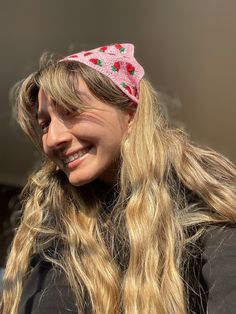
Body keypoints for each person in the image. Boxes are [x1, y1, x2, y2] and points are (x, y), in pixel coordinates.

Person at [1, 43, 236, 314]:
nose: (52, 139)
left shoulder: (204, 191)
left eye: (72, 110)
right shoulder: (58, 220)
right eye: (45, 124)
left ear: (130, 113)